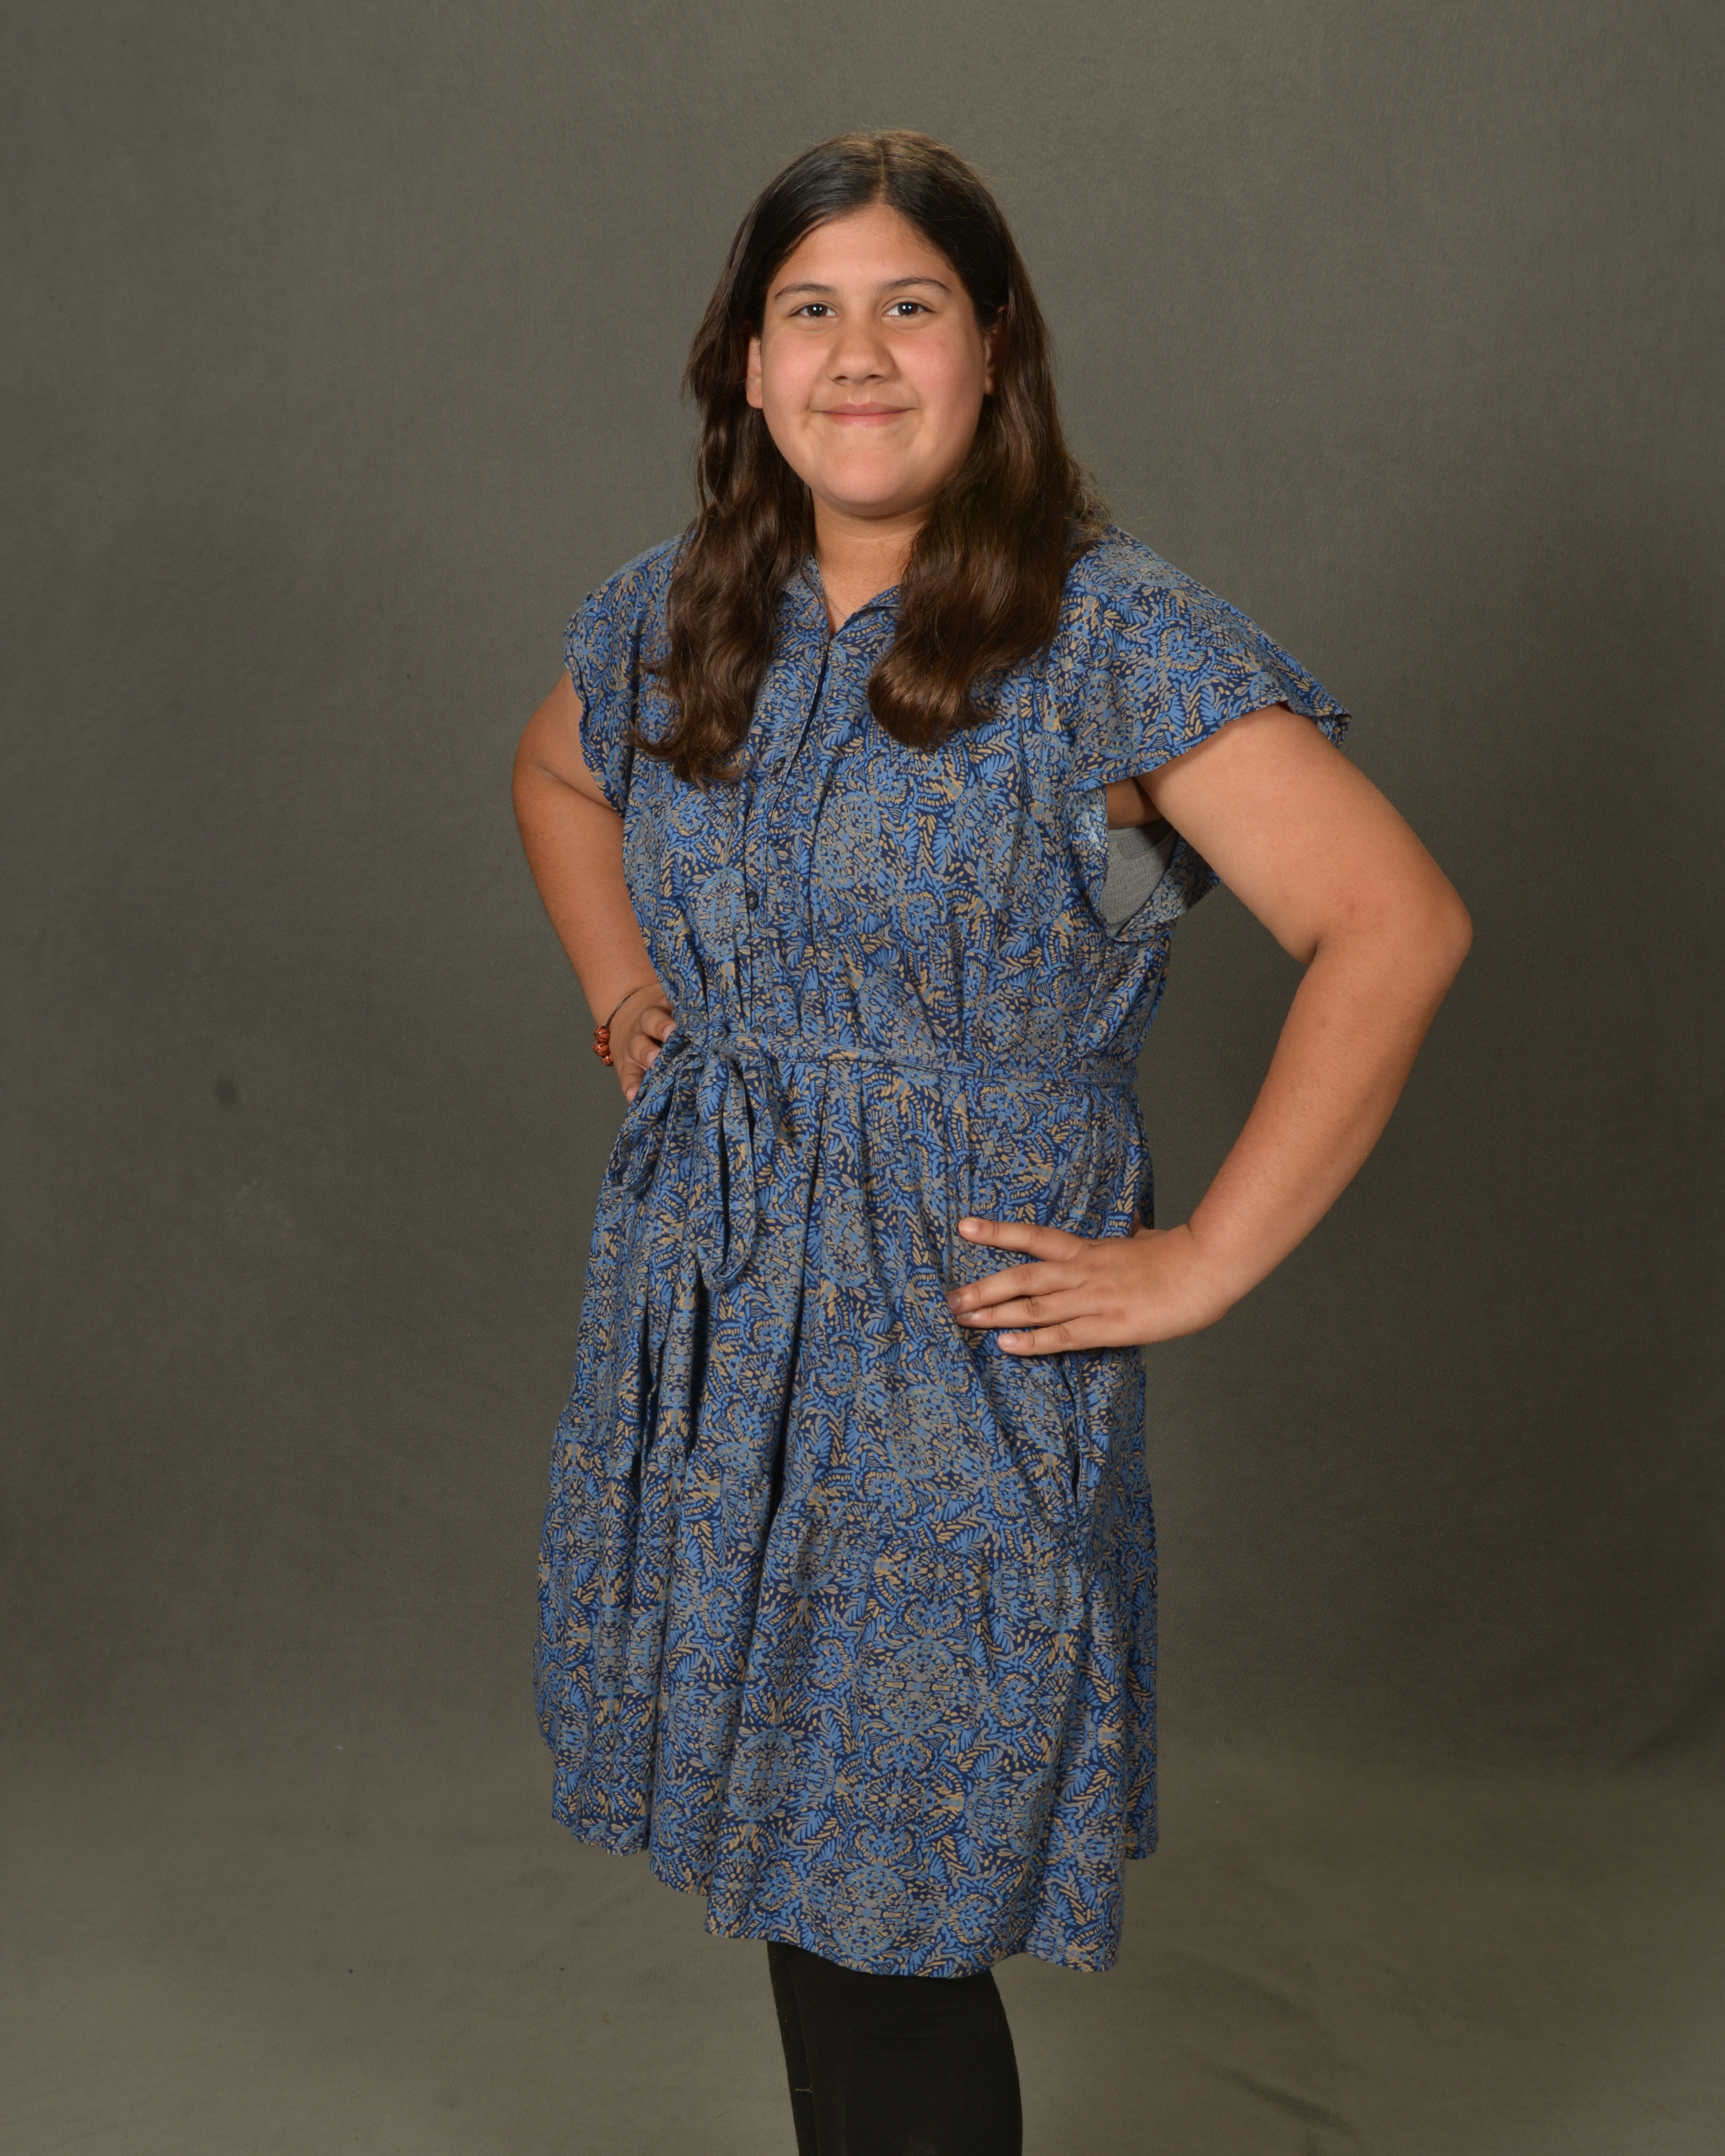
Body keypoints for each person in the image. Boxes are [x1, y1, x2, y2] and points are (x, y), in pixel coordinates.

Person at [512, 130, 1470, 2156]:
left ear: (994, 347)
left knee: (898, 1906)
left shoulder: (1109, 637)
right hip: (729, 1310)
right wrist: (630, 1003)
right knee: (806, 1868)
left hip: (957, 1345)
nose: (857, 355)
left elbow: (1393, 926)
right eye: (810, 310)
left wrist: (1205, 1256)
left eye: (910, 306)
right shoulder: (679, 612)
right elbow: (556, 777)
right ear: (750, 364)